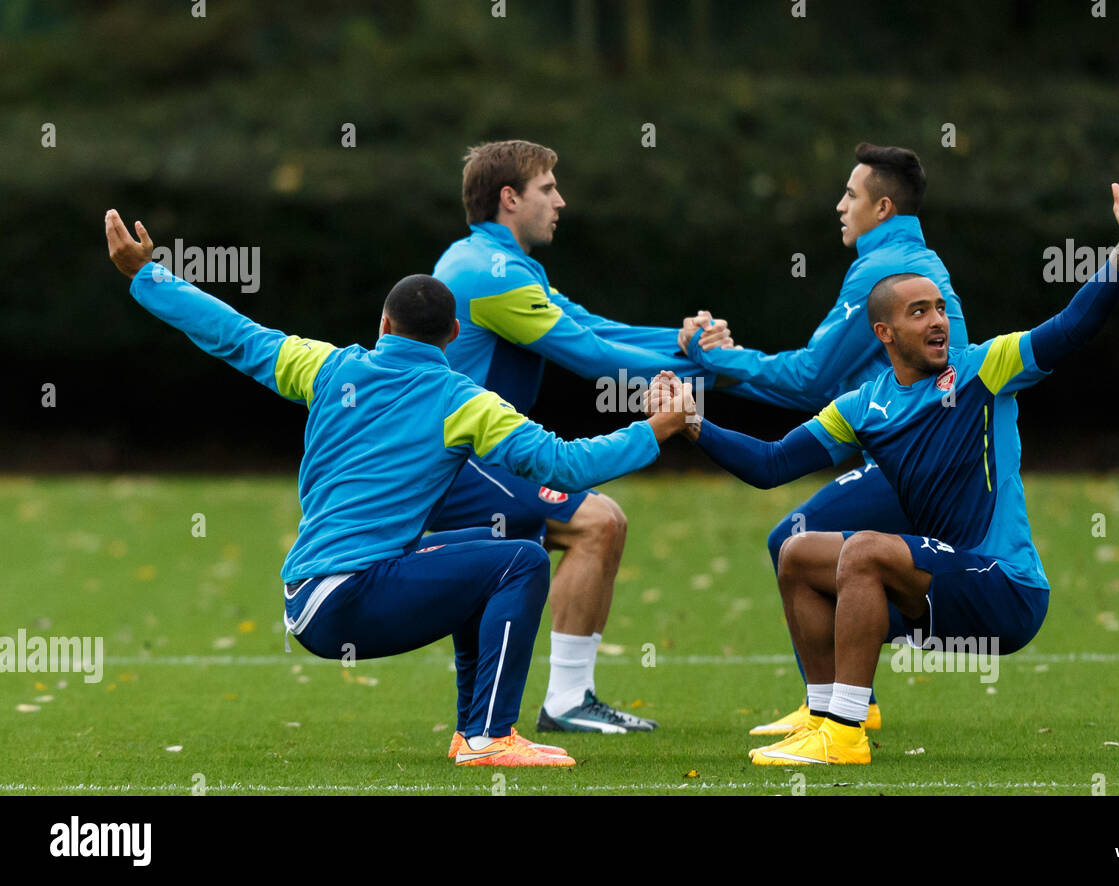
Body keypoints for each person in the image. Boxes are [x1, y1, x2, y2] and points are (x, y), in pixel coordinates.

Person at [104, 209, 689, 767]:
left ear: (383, 324)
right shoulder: (463, 400)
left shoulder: (326, 367)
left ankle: (473, 732)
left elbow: (235, 334)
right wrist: (654, 430)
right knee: (523, 561)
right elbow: (562, 464)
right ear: (455, 332)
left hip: (306, 597)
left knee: (483, 560)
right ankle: (491, 736)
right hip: (350, 600)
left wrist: (147, 275)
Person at [649, 158, 1119, 764]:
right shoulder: (861, 406)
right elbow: (769, 465)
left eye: (939, 309)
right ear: (883, 333)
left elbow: (1073, 326)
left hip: (1005, 590)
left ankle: (845, 734)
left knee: (867, 549)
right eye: (918, 312)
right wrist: (692, 425)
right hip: (940, 596)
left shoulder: (984, 369)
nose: (937, 321)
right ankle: (824, 717)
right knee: (797, 551)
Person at [430, 139, 733, 734]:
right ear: (510, 198)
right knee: (599, 523)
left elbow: (593, 326)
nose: (561, 201)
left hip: (480, 456)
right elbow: (590, 356)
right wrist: (711, 369)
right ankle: (564, 703)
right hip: (460, 463)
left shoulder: (495, 264)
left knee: (589, 530)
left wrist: (682, 343)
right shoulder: (487, 274)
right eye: (548, 189)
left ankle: (543, 704)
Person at [679, 143, 970, 736]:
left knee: (794, 541)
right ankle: (845, 704)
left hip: (922, 463)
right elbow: (860, 388)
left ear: (882, 207)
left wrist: (717, 362)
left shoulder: (880, 274)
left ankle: (835, 712)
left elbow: (812, 378)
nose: (840, 205)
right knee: (808, 546)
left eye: (851, 195)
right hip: (931, 454)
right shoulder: (914, 260)